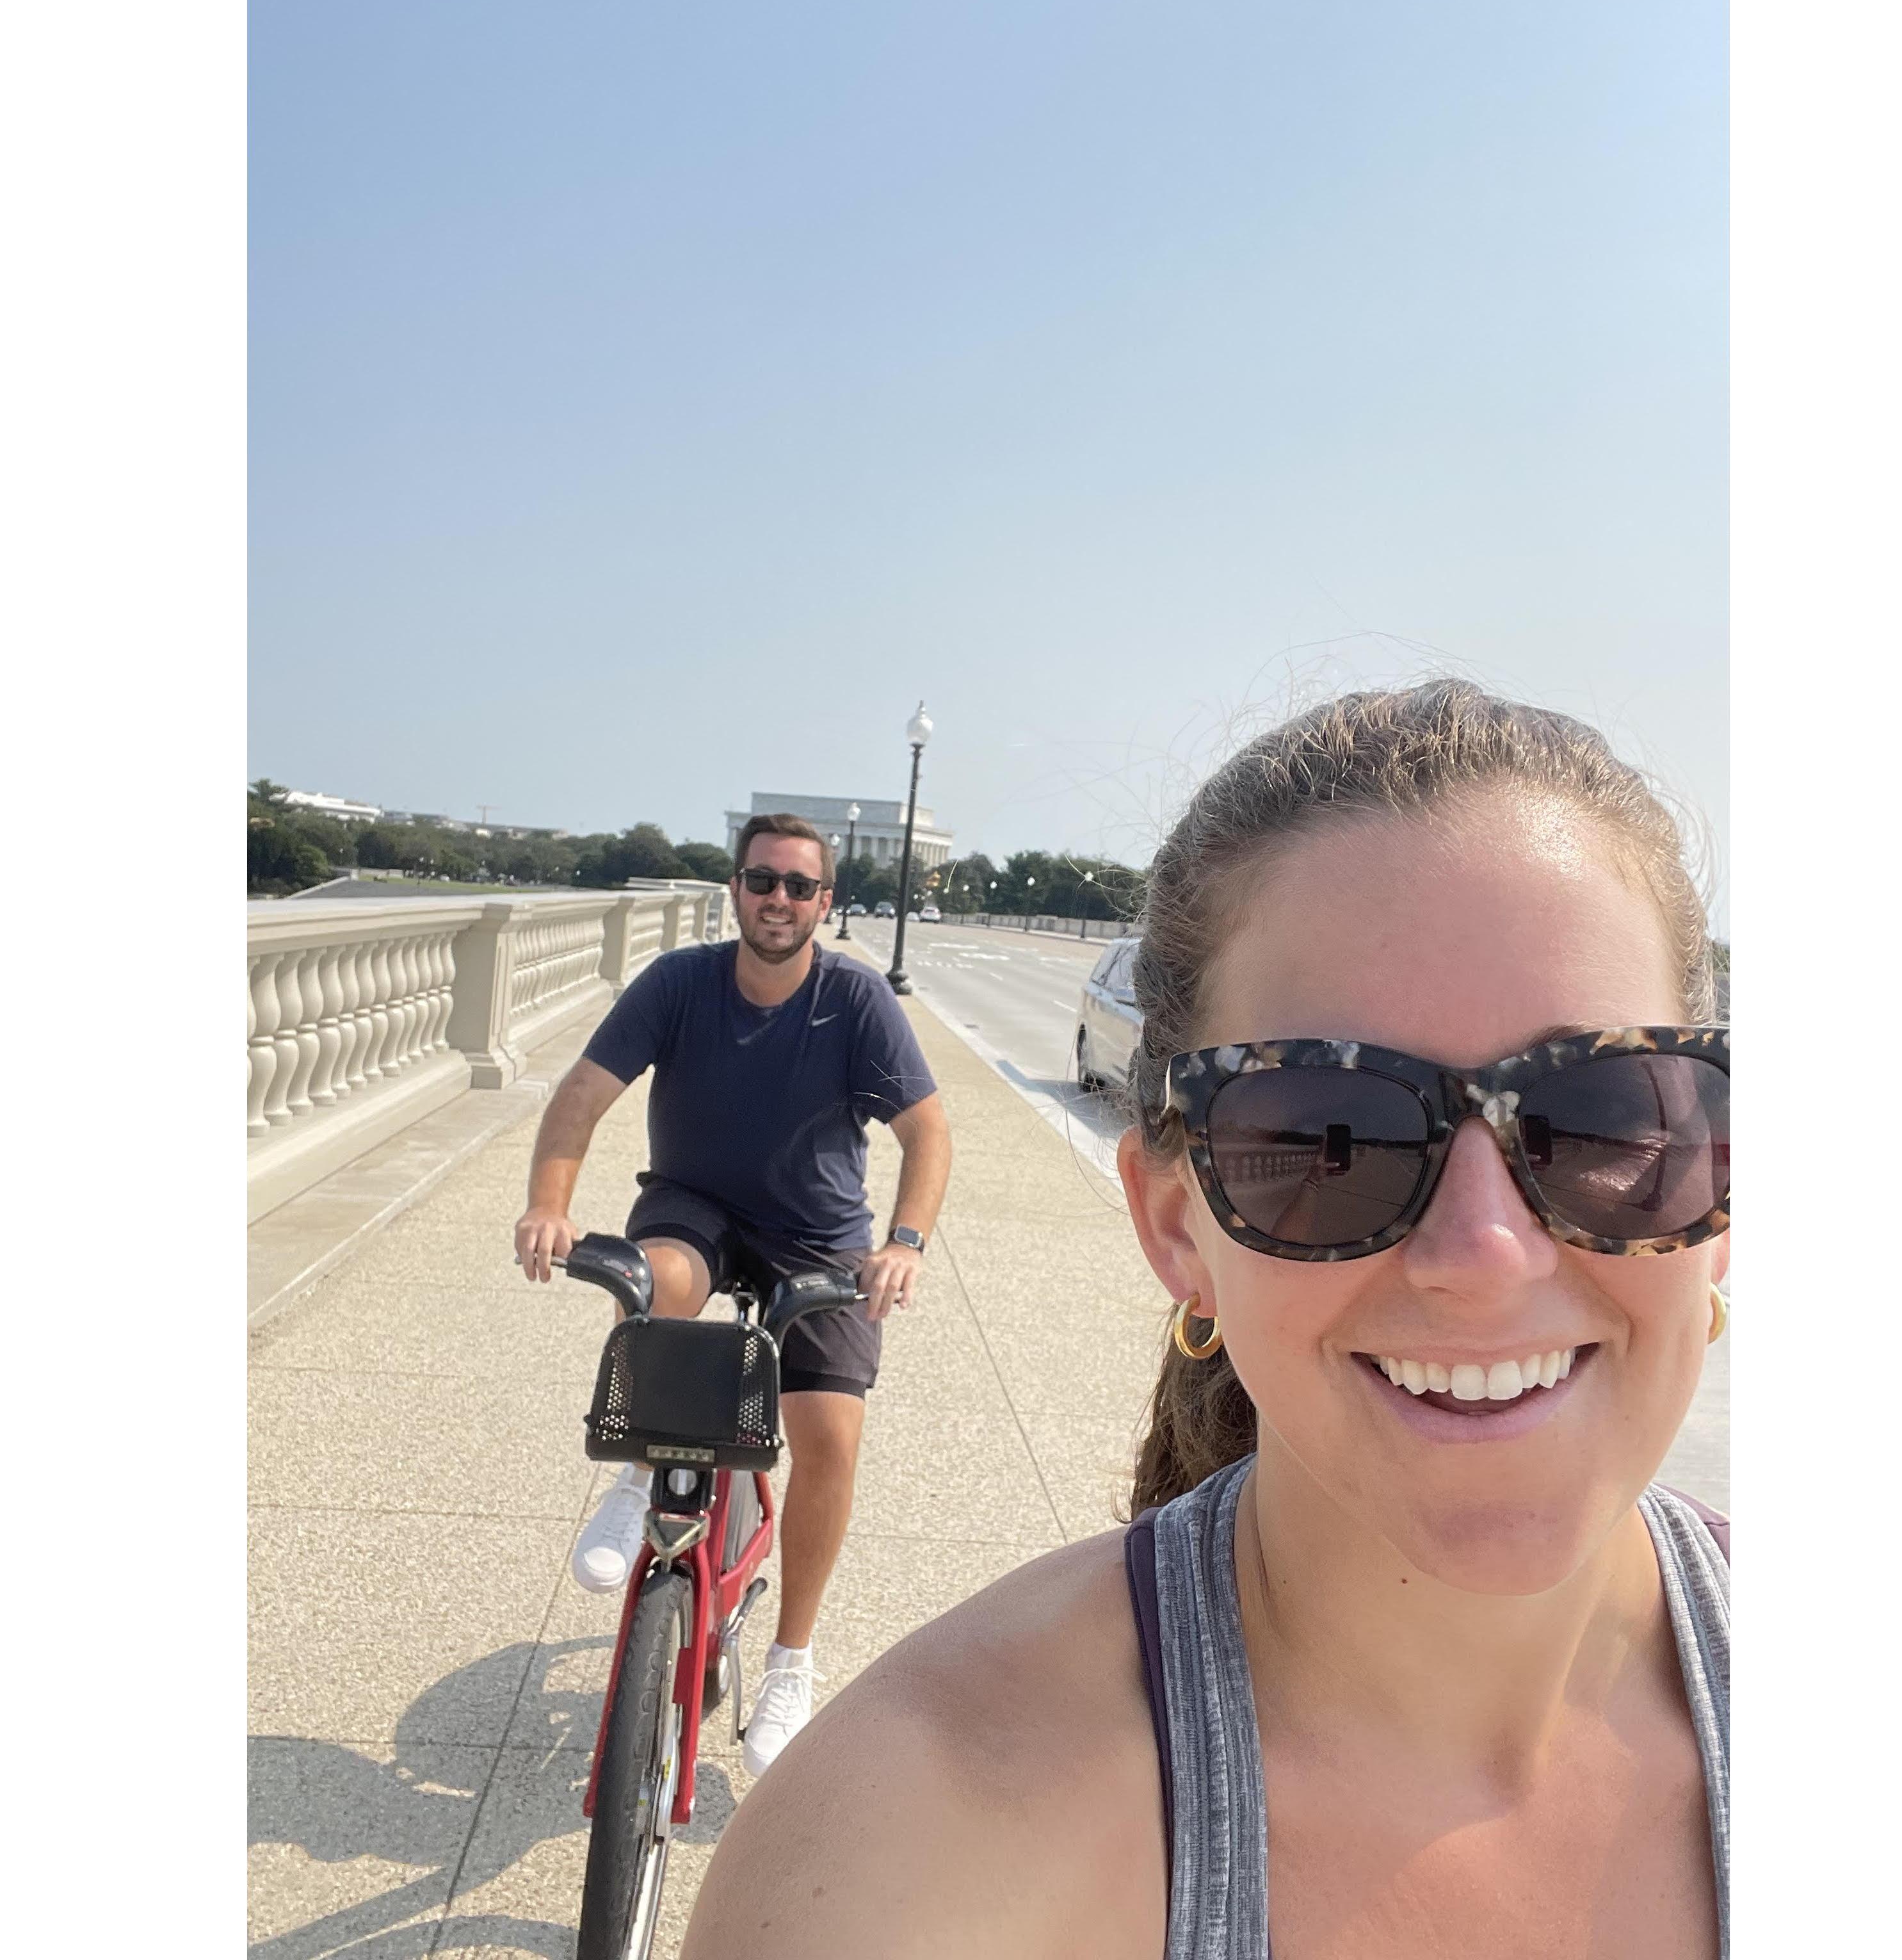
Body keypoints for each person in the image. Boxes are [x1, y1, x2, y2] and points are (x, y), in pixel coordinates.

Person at [681, 682, 1730, 1959]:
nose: (1483, 1253)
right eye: (1329, 1135)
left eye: (1604, 1114)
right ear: (1178, 1225)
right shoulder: (898, 1863)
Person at [514, 811, 953, 1775]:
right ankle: (637, 1481)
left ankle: (791, 1661)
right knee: (656, 1286)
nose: (778, 900)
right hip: (695, 1205)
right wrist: (549, 1205)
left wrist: (905, 1243)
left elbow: (927, 1131)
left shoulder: (856, 999)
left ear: (824, 902)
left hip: (816, 1232)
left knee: (829, 1435)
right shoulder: (681, 983)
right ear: (736, 890)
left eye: (799, 886)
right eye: (762, 881)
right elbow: (582, 1095)